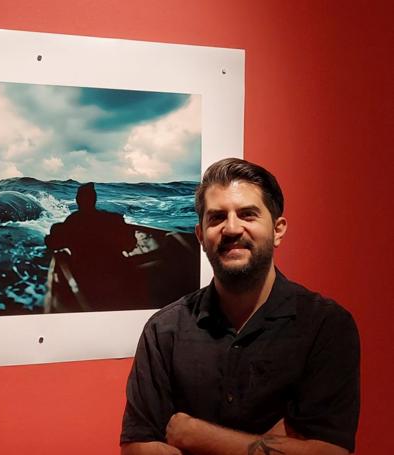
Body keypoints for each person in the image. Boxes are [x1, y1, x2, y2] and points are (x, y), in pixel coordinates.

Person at [120, 158, 360, 455]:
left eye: (248, 214)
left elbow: (331, 452)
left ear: (278, 229)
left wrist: (195, 434)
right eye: (217, 218)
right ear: (200, 236)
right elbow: (137, 448)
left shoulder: (326, 326)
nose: (231, 228)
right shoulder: (163, 330)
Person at [45, 182, 139, 309]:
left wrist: (52, 234)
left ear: (77, 200)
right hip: (118, 274)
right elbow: (130, 245)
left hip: (86, 278)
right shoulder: (113, 220)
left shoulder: (72, 222)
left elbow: (53, 244)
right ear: (95, 199)